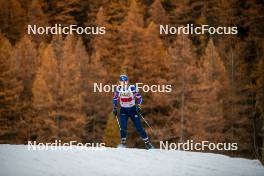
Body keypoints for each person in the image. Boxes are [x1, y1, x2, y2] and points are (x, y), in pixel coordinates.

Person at [112, 74, 154, 149]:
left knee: (139, 127)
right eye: (122, 81)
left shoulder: (132, 88)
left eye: (125, 81)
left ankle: (147, 143)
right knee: (123, 127)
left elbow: (139, 97)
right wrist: (115, 108)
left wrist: (139, 106)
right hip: (123, 110)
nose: (123, 83)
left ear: (127, 81)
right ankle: (123, 144)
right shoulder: (118, 89)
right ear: (119, 82)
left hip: (132, 110)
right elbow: (115, 98)